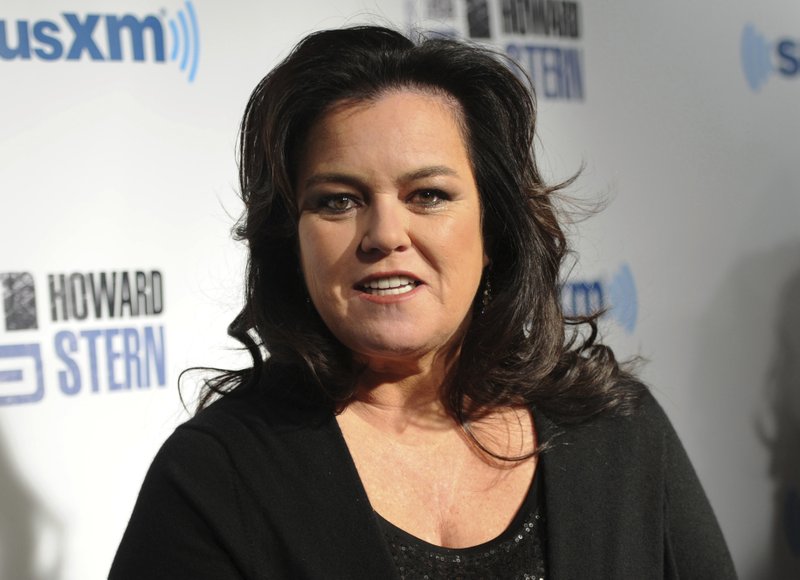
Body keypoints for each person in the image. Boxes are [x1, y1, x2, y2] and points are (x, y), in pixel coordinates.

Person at [109, 25, 736, 579]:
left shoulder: (616, 430)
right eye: (338, 201)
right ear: (290, 241)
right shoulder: (215, 475)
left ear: (493, 228)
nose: (385, 235)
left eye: (428, 195)